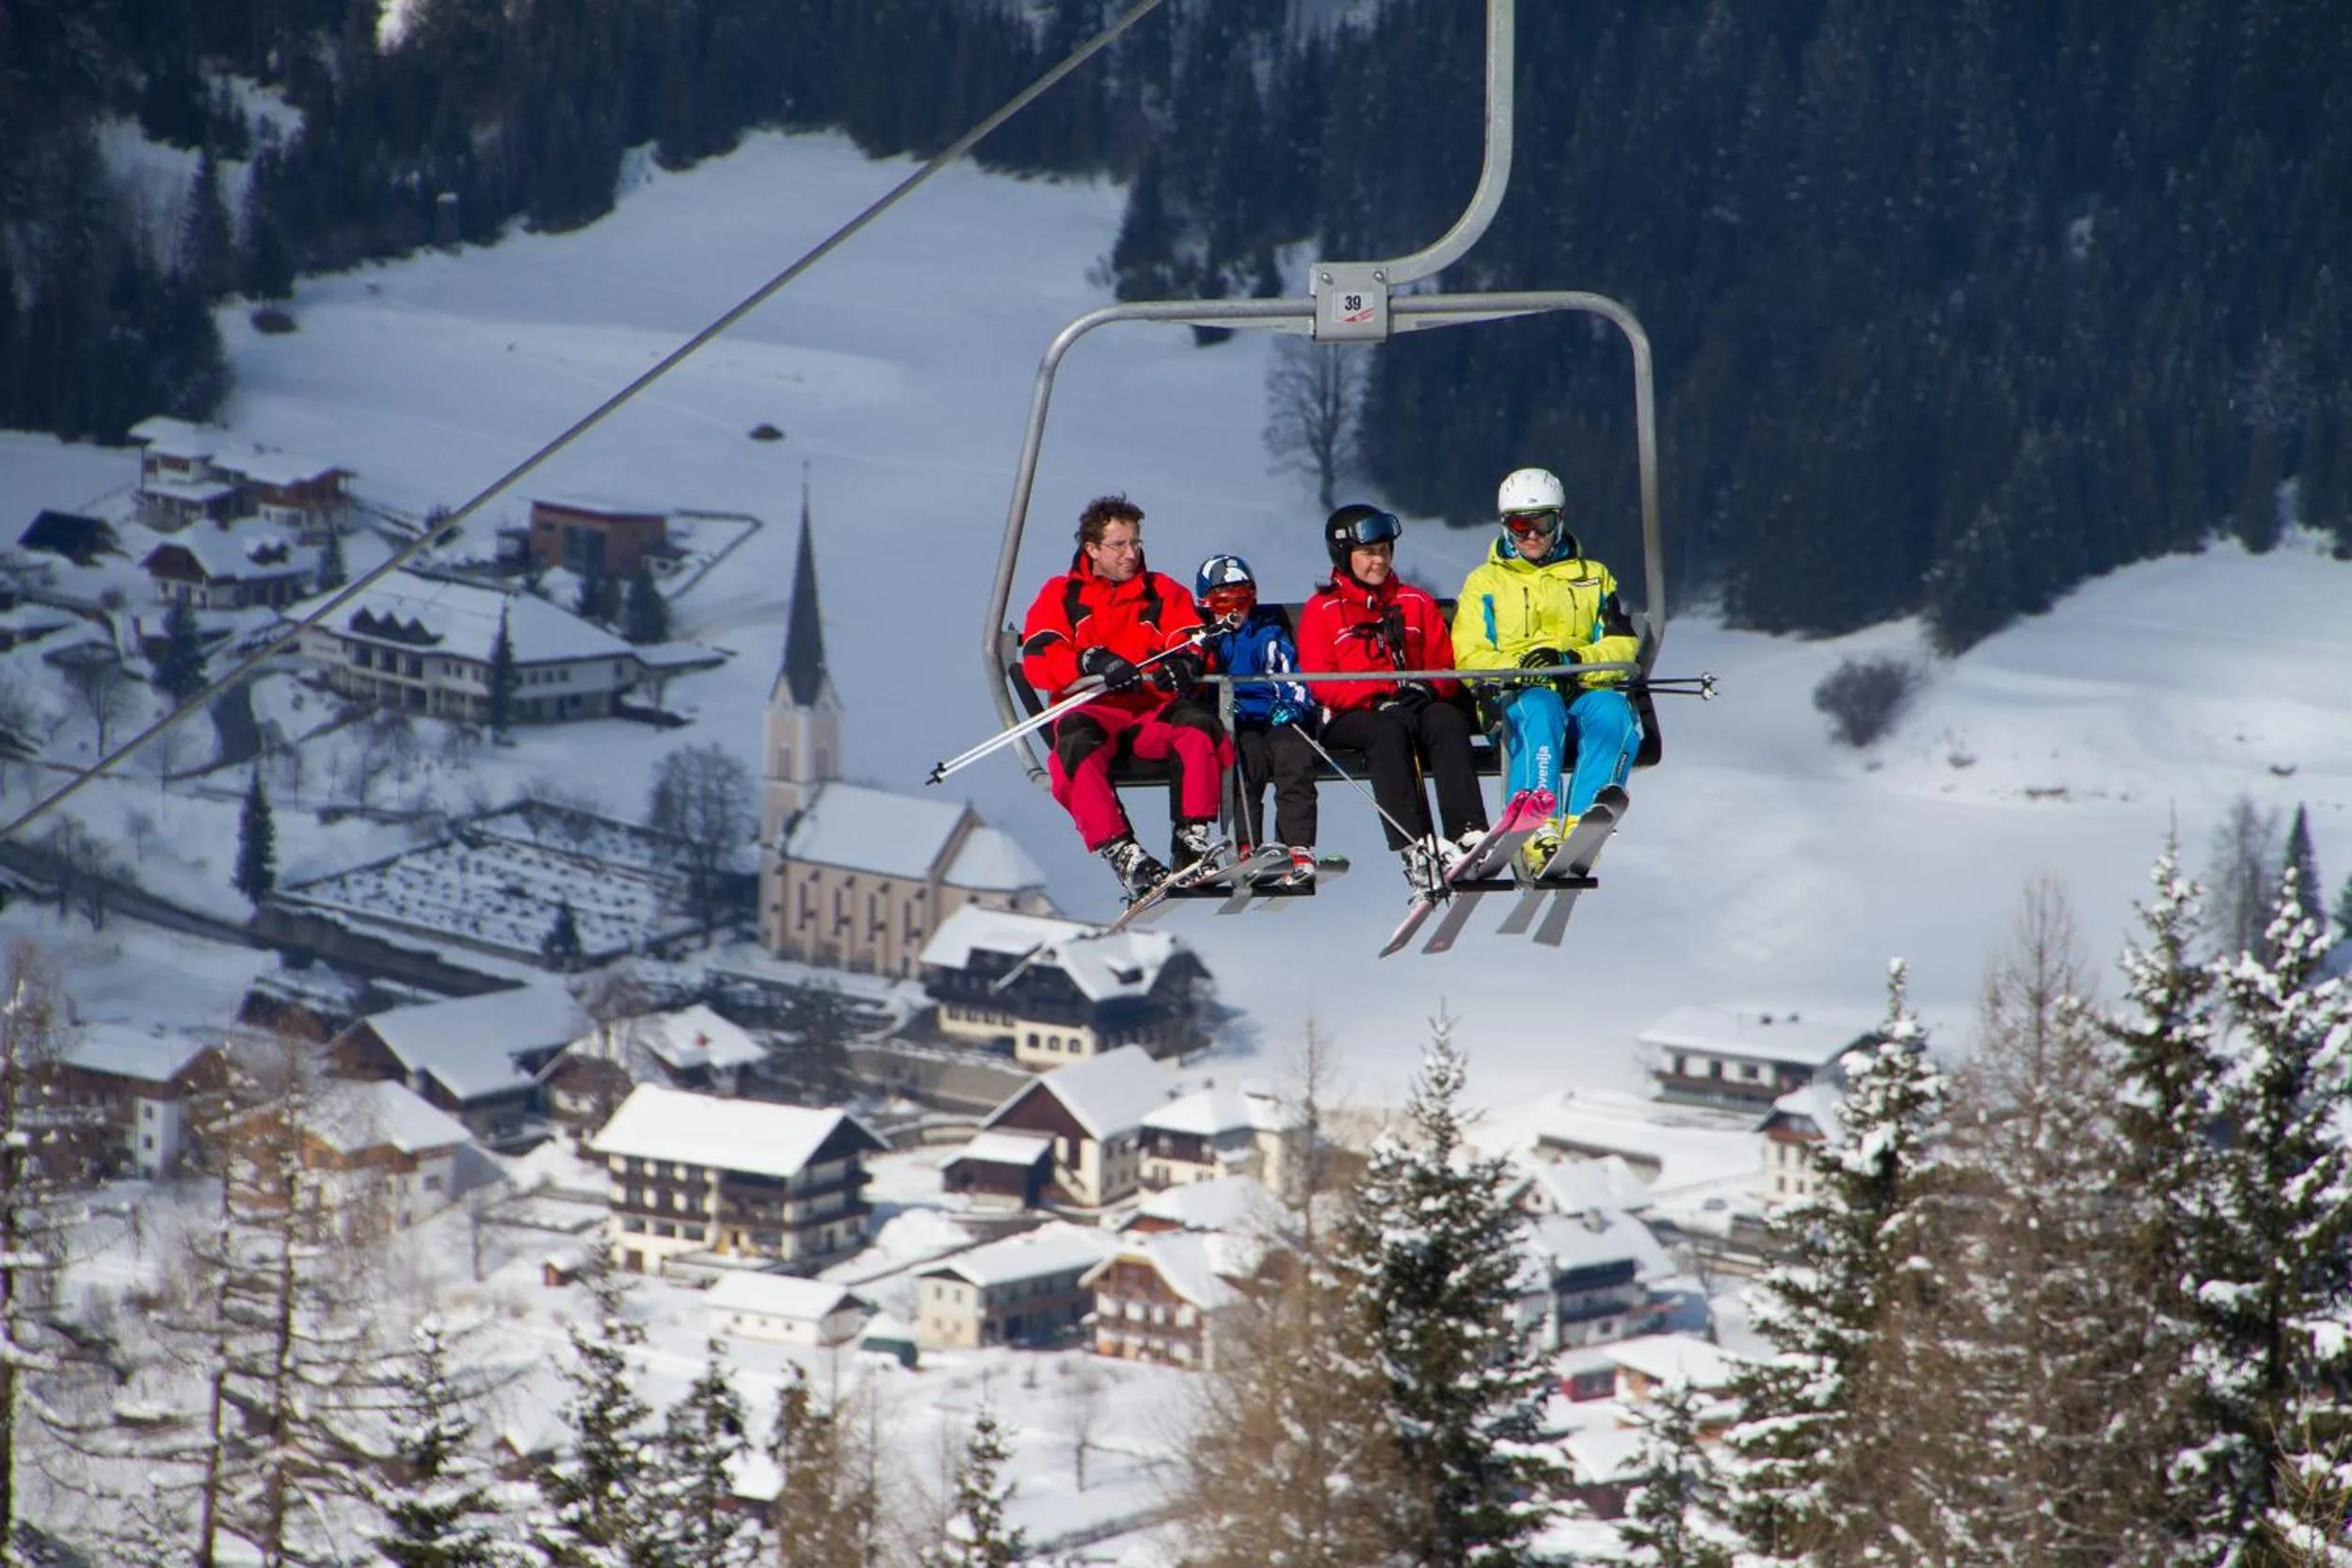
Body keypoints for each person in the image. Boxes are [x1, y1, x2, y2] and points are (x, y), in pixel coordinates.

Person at [1019, 494, 1233, 902]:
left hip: (1150, 709)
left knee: (1198, 726)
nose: (1131, 553)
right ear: (1092, 549)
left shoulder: (1161, 591)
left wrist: (1186, 663)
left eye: (1135, 542)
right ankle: (1123, 852)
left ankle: (1191, 839)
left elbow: (1186, 636)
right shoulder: (1063, 595)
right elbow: (1040, 656)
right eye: (1118, 545)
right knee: (1074, 748)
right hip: (1093, 710)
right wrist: (1089, 660)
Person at [1451, 465, 1642, 872]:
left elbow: (1622, 646)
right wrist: (1520, 668)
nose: (1533, 536)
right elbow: (1469, 656)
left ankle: (1583, 824)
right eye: (1521, 526)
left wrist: (1574, 662)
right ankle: (1537, 827)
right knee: (1540, 707)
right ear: (1506, 527)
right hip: (1518, 697)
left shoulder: (1593, 577)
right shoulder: (1485, 583)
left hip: (1581, 688)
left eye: (1543, 523)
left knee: (1615, 714)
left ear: (1561, 520)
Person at [1296, 503, 1489, 888]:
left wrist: (1426, 687)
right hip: (1349, 715)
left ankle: (1467, 831)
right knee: (1386, 731)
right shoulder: (1323, 610)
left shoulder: (1414, 602)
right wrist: (1381, 692)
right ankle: (1415, 846)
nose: (1379, 561)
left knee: (1447, 720)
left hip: (1409, 706)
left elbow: (1443, 666)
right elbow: (1321, 681)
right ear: (1344, 555)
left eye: (1384, 551)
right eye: (1369, 553)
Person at [1192, 552, 1319, 882]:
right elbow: (1197, 687)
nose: (1235, 608)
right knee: (1245, 760)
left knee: (1293, 755)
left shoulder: (1268, 632)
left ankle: (1297, 845)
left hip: (1274, 716)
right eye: (1223, 600)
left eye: (1243, 597)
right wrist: (1218, 709)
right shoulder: (1205, 641)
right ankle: (1246, 844)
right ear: (1205, 602)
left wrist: (1294, 704)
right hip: (1234, 721)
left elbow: (1293, 675)